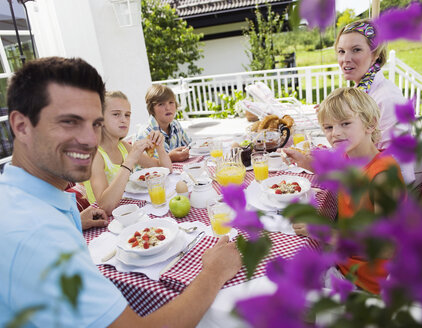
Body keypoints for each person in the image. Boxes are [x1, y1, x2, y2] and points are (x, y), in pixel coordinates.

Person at [0, 57, 242, 327]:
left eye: (95, 124)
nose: (90, 139)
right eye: (69, 122)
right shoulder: (36, 232)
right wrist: (215, 272)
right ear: (21, 126)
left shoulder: (29, 200)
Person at [289, 88, 404, 294]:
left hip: (367, 284)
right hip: (343, 264)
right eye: (328, 127)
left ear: (370, 124)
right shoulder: (348, 157)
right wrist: (304, 161)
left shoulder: (383, 176)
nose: (335, 133)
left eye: (345, 124)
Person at [286, 19, 419, 184]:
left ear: (375, 54)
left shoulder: (388, 99)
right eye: (341, 51)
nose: (345, 59)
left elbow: (400, 171)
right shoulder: (361, 89)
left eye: (356, 50)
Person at [83, 91, 172, 214]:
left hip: (129, 210)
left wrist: (159, 146)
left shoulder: (123, 146)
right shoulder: (95, 155)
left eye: (127, 115)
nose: (124, 120)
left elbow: (165, 169)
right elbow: (105, 207)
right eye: (116, 114)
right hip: (107, 222)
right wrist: (130, 160)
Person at [136, 84, 191, 162]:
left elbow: (189, 145)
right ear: (151, 109)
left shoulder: (176, 125)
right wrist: (169, 157)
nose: (168, 108)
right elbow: (143, 165)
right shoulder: (146, 133)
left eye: (171, 102)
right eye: (161, 104)